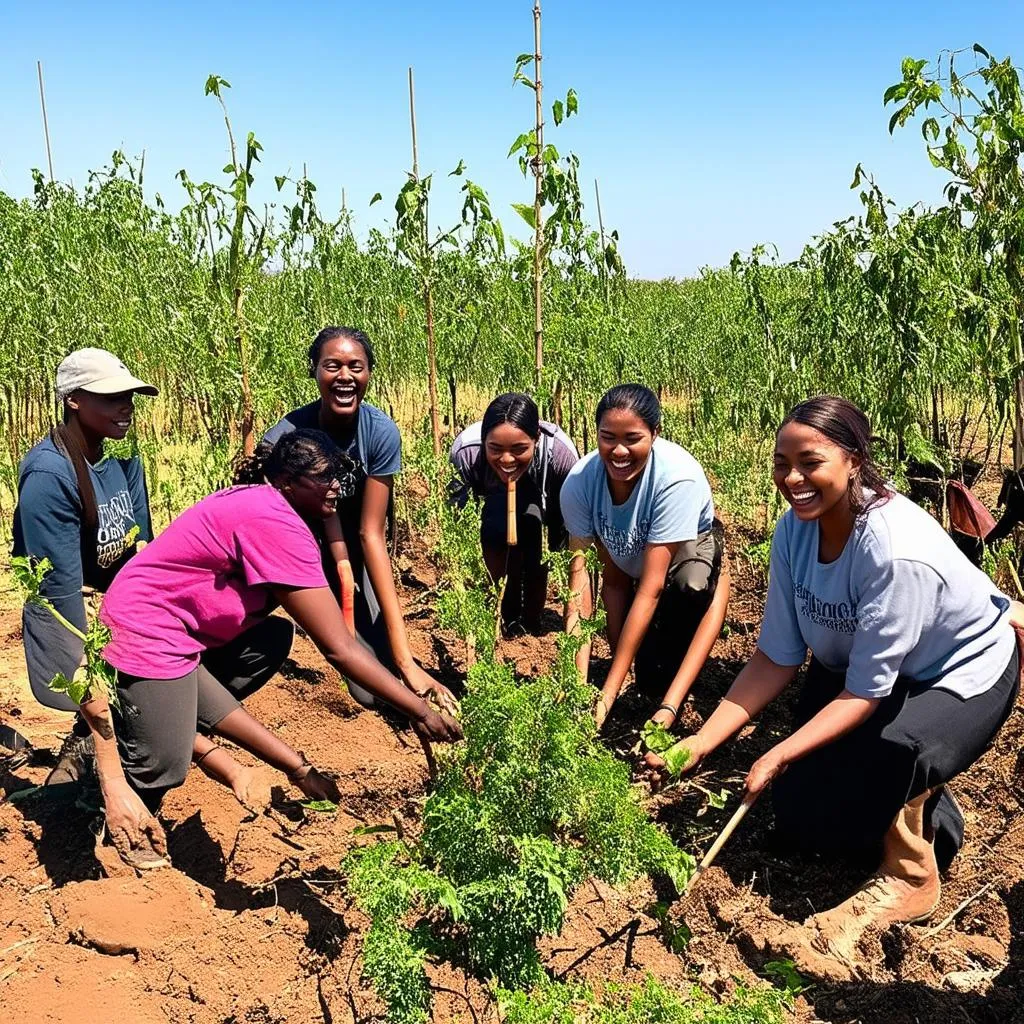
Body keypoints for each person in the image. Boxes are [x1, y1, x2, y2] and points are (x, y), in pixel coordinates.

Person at [646, 396, 1020, 959]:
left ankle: (914, 869)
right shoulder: (794, 532)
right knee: (804, 821)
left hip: (958, 671)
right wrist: (699, 743)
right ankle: (911, 801)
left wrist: (774, 754)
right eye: (781, 462)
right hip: (867, 671)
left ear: (852, 459)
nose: (792, 478)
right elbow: (774, 659)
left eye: (810, 461)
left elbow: (865, 695)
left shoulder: (892, 551)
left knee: (898, 752)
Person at [90, 430, 463, 869]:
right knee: (166, 763)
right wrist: (418, 711)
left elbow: (219, 708)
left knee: (270, 641)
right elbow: (340, 648)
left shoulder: (267, 504)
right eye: (324, 479)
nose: (337, 488)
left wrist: (298, 769)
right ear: (286, 481)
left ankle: (146, 720)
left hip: (176, 635)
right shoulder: (272, 521)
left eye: (338, 477)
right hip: (145, 631)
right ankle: (112, 822)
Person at [265, 326, 451, 710]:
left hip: (356, 541)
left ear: (369, 373)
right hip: (298, 546)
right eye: (332, 366)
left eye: (356, 366)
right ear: (314, 370)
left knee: (375, 682)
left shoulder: (379, 433)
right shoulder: (287, 436)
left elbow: (371, 533)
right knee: (360, 676)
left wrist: (406, 662)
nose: (345, 376)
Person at [12, 348, 157, 784]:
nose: (125, 406)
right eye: (110, 397)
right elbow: (60, 592)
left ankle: (103, 739)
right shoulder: (49, 476)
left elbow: (141, 551)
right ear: (74, 400)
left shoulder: (121, 460)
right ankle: (90, 745)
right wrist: (92, 687)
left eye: (129, 396)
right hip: (79, 614)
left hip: (120, 607)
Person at [560, 384, 729, 729]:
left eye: (632, 438)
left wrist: (607, 696)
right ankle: (637, 664)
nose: (619, 450)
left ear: (655, 434)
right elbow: (584, 585)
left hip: (685, 544)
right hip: (627, 553)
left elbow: (650, 588)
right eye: (608, 437)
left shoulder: (675, 480)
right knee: (644, 674)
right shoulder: (579, 484)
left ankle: (719, 580)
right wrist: (577, 685)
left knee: (689, 586)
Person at [449, 393, 578, 633]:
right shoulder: (466, 453)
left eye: (519, 449)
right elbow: (460, 526)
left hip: (543, 502)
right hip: (492, 506)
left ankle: (531, 621)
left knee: (533, 537)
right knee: (496, 525)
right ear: (483, 439)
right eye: (495, 448)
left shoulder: (561, 457)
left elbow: (567, 530)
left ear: (536, 439)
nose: (507, 459)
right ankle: (496, 614)